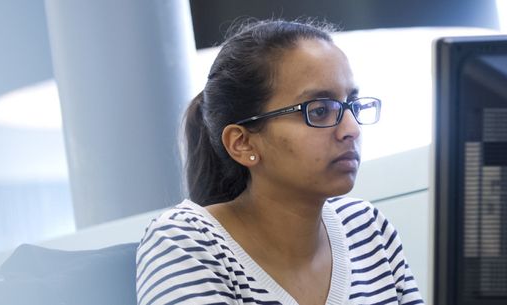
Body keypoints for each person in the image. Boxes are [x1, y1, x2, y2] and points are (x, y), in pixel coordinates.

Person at [135, 19, 422, 305]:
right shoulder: (186, 242)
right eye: (320, 110)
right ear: (242, 143)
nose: (352, 129)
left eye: (353, 105)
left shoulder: (366, 227)